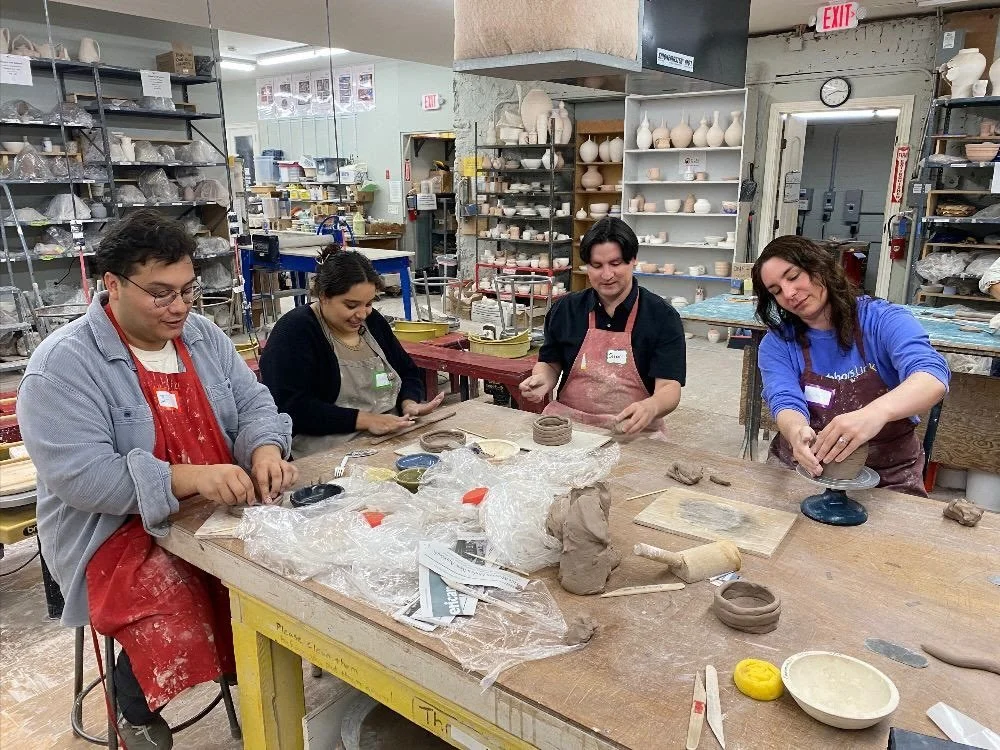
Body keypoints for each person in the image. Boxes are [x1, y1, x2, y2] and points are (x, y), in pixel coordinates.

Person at [17, 209, 297, 750]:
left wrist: (264, 448)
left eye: (189, 290)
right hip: (113, 531)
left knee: (283, 568)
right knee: (173, 596)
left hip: (211, 505)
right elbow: (86, 480)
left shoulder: (203, 336)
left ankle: (253, 676)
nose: (181, 307)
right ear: (113, 284)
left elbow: (253, 402)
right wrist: (193, 477)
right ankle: (134, 704)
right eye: (161, 293)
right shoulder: (62, 367)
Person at [752, 235, 950, 497]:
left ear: (819, 267)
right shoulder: (778, 343)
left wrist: (876, 413)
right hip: (806, 466)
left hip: (887, 471)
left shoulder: (882, 320)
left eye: (793, 276)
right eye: (776, 291)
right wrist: (795, 431)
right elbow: (784, 399)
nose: (789, 294)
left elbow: (932, 377)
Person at [260, 245, 443, 457]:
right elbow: (290, 407)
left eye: (368, 303)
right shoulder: (295, 331)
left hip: (389, 433)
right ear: (324, 296)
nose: (362, 314)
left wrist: (409, 402)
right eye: (351, 305)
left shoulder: (373, 323)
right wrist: (365, 420)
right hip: (327, 448)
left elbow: (407, 371)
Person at [519, 217, 685, 435]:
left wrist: (651, 407)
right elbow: (550, 364)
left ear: (633, 260)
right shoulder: (566, 310)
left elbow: (669, 387)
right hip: (571, 427)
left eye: (615, 264)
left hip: (634, 430)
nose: (606, 275)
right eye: (596, 266)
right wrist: (543, 379)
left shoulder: (661, 316)